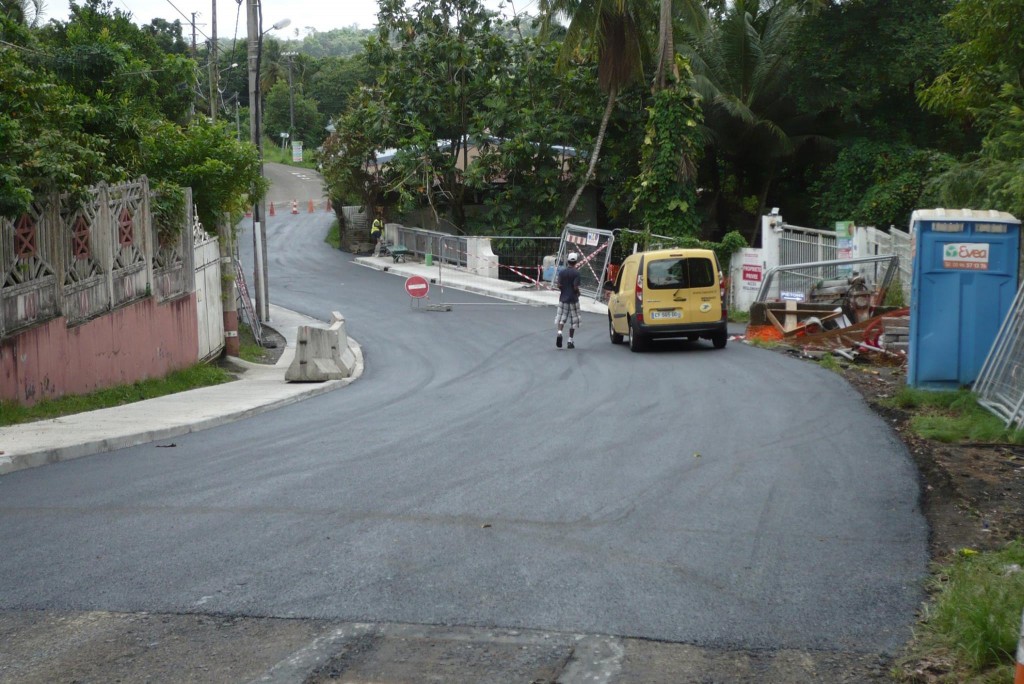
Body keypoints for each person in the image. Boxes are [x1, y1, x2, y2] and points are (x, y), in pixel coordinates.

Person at [556, 252, 581, 349]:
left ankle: (559, 333)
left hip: (563, 298)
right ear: (575, 262)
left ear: (568, 261)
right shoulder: (577, 273)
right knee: (573, 320)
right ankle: (570, 340)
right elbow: (575, 287)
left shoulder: (562, 272)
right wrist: (578, 292)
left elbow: (559, 285)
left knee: (561, 318)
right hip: (573, 299)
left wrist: (564, 290)